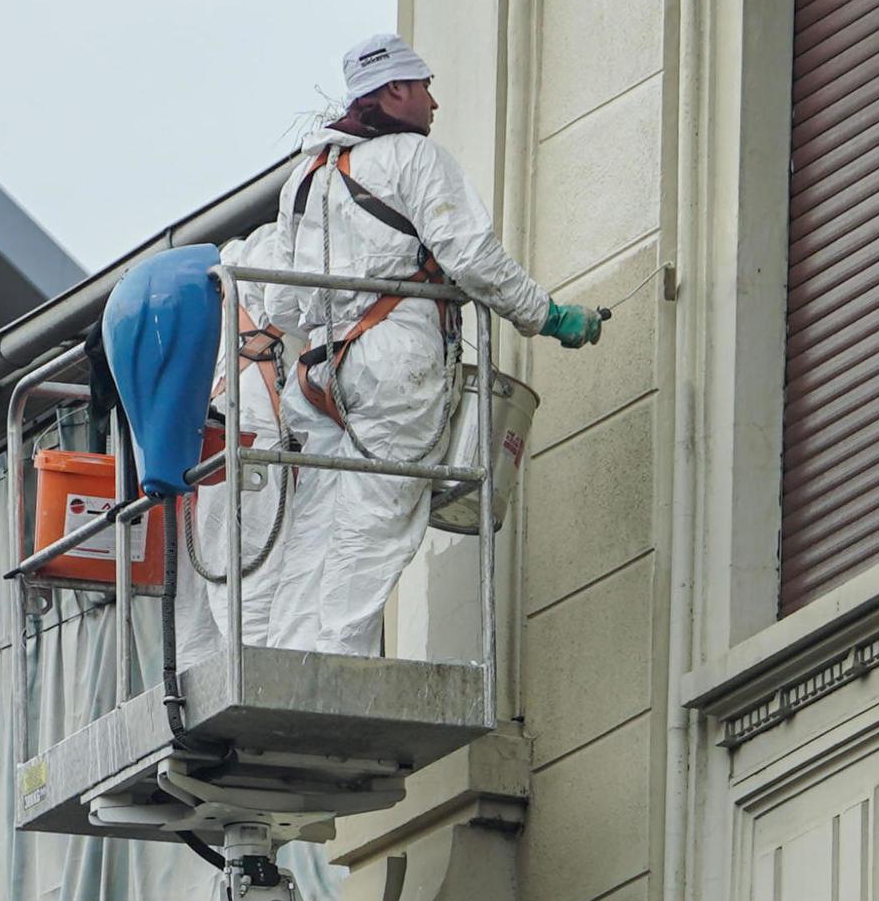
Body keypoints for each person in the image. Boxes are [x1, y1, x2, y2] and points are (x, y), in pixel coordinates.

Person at [261, 33, 603, 657]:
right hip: (395, 367)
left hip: (318, 375)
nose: (435, 103)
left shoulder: (305, 179)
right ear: (395, 90)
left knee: (316, 528)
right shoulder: (414, 160)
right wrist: (549, 317)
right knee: (375, 527)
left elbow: (282, 306)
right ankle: (337, 675)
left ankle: (282, 664)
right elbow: (472, 258)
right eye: (426, 87)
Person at [181, 224, 293, 656]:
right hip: (254, 437)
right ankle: (258, 675)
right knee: (253, 581)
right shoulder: (273, 263)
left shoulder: (214, 296)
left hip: (221, 438)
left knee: (218, 582)